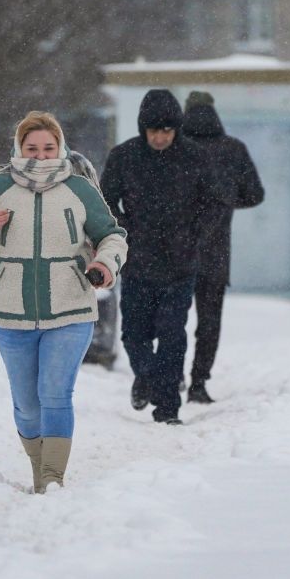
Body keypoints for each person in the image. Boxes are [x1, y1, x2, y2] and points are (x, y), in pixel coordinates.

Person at [0, 111, 127, 493]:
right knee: (28, 406)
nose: (41, 155)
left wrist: (104, 263)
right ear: (19, 148)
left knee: (55, 394)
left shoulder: (80, 188)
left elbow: (112, 236)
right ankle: (38, 466)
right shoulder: (0, 184)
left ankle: (52, 478)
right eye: (32, 148)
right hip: (12, 315)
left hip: (71, 309)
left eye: (48, 148)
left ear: (60, 148)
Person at [101, 89, 223, 425]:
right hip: (138, 261)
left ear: (176, 129)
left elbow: (214, 203)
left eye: (167, 131)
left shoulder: (195, 157)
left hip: (180, 263)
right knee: (134, 334)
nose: (160, 137)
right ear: (143, 129)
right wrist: (126, 230)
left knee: (172, 333)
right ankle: (147, 377)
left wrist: (194, 235)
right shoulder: (124, 157)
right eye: (153, 130)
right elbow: (105, 202)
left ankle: (167, 407)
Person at [180, 91, 265, 403]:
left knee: (173, 317)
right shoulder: (233, 149)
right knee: (209, 321)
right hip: (215, 253)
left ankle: (173, 374)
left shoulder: (174, 149)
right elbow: (255, 194)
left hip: (174, 252)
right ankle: (199, 383)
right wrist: (227, 202)